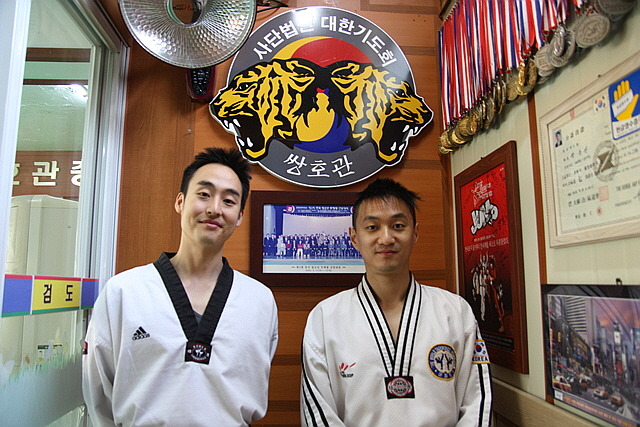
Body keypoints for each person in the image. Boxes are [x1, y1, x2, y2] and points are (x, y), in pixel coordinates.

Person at [83, 147, 279, 426]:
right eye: (204, 194)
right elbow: (98, 394)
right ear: (180, 201)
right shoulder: (124, 291)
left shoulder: (259, 300)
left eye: (228, 201)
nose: (214, 209)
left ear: (239, 216)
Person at [300, 178, 492, 426]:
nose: (386, 238)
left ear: (415, 233)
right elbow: (318, 413)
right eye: (372, 227)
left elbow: (477, 402)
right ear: (354, 237)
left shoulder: (454, 311)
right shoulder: (325, 318)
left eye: (398, 226)